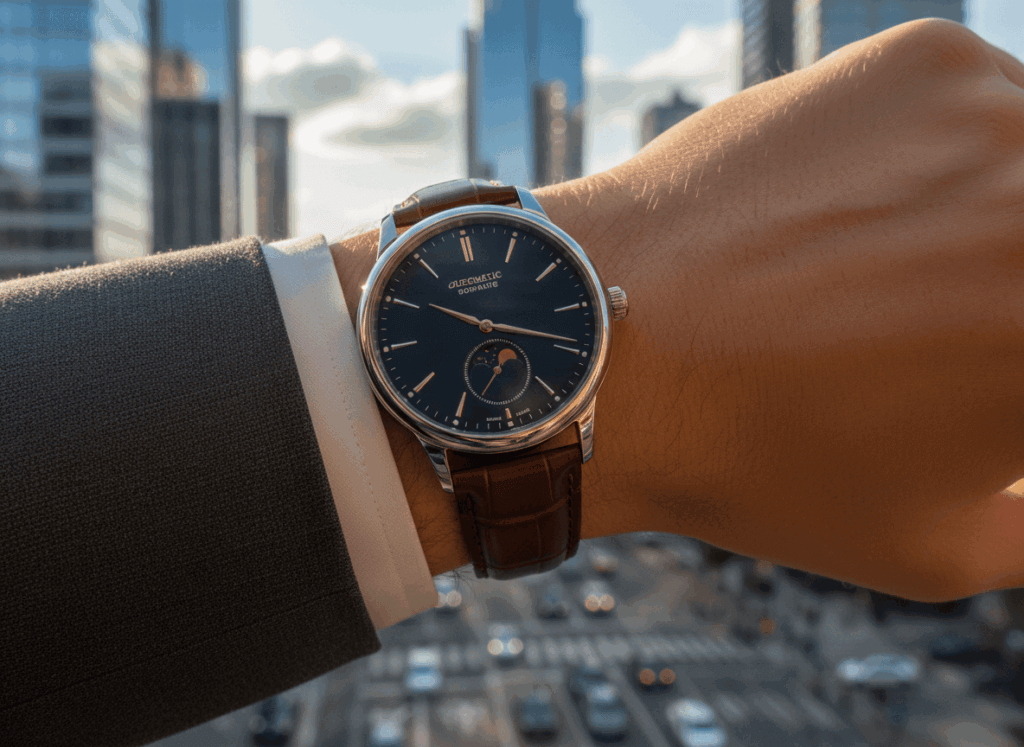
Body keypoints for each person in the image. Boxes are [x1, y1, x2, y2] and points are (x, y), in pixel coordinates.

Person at [4, 18, 1024, 746]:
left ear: (598, 304)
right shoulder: (423, 330)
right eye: (470, 315)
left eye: (515, 308)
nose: (492, 324)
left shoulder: (551, 308)